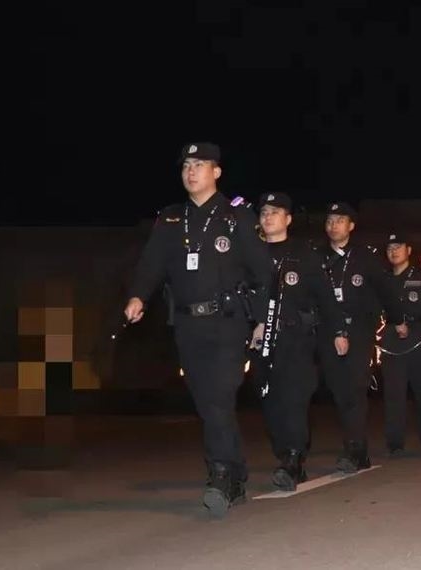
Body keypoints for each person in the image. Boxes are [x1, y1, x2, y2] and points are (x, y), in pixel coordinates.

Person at [123, 142, 272, 518]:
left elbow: (263, 272)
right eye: (186, 165)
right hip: (188, 324)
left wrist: (259, 322)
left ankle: (219, 474)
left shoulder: (236, 216)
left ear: (216, 172)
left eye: (200, 164)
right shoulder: (172, 219)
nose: (191, 171)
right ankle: (236, 474)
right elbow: (151, 263)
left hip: (227, 323)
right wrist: (139, 296)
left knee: (219, 397)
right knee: (208, 403)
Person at [251, 192, 348, 491]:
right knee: (271, 403)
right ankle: (286, 454)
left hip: (296, 340)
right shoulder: (250, 254)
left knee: (294, 399)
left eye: (275, 212)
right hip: (260, 343)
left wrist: (339, 332)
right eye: (264, 212)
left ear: (288, 219)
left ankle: (293, 459)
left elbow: (326, 298)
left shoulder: (305, 255)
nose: (268, 217)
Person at [313, 202, 400, 472]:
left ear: (351, 226)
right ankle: (354, 443)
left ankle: (355, 448)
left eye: (340, 221)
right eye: (330, 221)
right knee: (339, 390)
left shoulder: (365, 257)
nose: (333, 226)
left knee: (354, 388)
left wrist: (397, 320)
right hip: (328, 332)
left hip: (359, 332)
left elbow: (385, 291)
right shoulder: (316, 257)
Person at [378, 232, 421, 457]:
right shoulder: (381, 280)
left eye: (398, 247)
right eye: (390, 248)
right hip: (392, 341)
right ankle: (395, 444)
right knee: (394, 396)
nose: (394, 252)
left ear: (408, 250)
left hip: (420, 340)